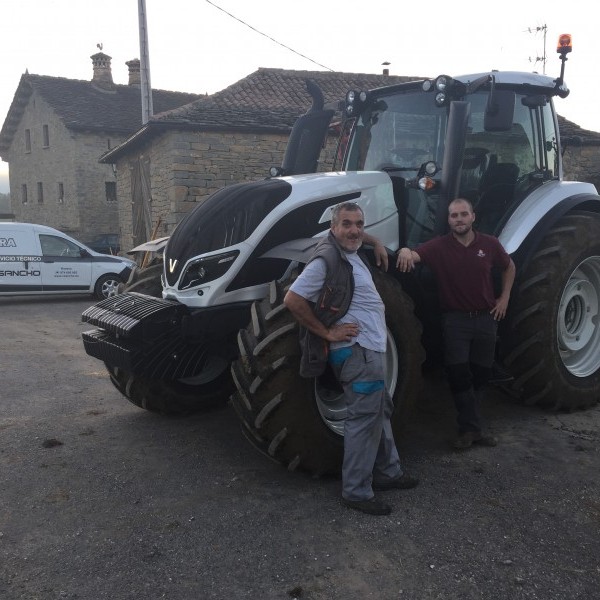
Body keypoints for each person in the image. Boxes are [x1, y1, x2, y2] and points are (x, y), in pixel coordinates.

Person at [283, 201, 418, 516]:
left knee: (380, 410)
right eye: (347, 224)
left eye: (359, 223)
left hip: (370, 350)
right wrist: (327, 333)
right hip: (357, 352)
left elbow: (359, 237)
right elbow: (293, 299)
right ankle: (357, 491)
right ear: (333, 228)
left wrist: (376, 241)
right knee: (362, 421)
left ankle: (389, 472)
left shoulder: (349, 248)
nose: (355, 230)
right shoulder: (327, 258)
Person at [396, 198, 516, 450]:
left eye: (463, 214)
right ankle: (470, 429)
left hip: (486, 318)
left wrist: (504, 298)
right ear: (448, 220)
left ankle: (472, 428)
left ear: (473, 217)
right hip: (456, 321)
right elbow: (415, 254)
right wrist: (405, 251)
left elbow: (509, 266)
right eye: (454, 216)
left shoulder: (490, 244)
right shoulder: (439, 246)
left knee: (481, 375)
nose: (459, 219)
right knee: (459, 375)